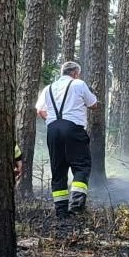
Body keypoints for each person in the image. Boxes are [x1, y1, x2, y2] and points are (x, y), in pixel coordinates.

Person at [35, 60, 100, 216]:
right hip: (73, 129)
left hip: (53, 129)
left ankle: (61, 211)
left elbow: (40, 111)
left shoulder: (48, 88)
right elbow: (93, 104)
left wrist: (53, 121)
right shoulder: (78, 84)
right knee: (81, 166)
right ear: (75, 73)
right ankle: (76, 205)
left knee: (58, 170)